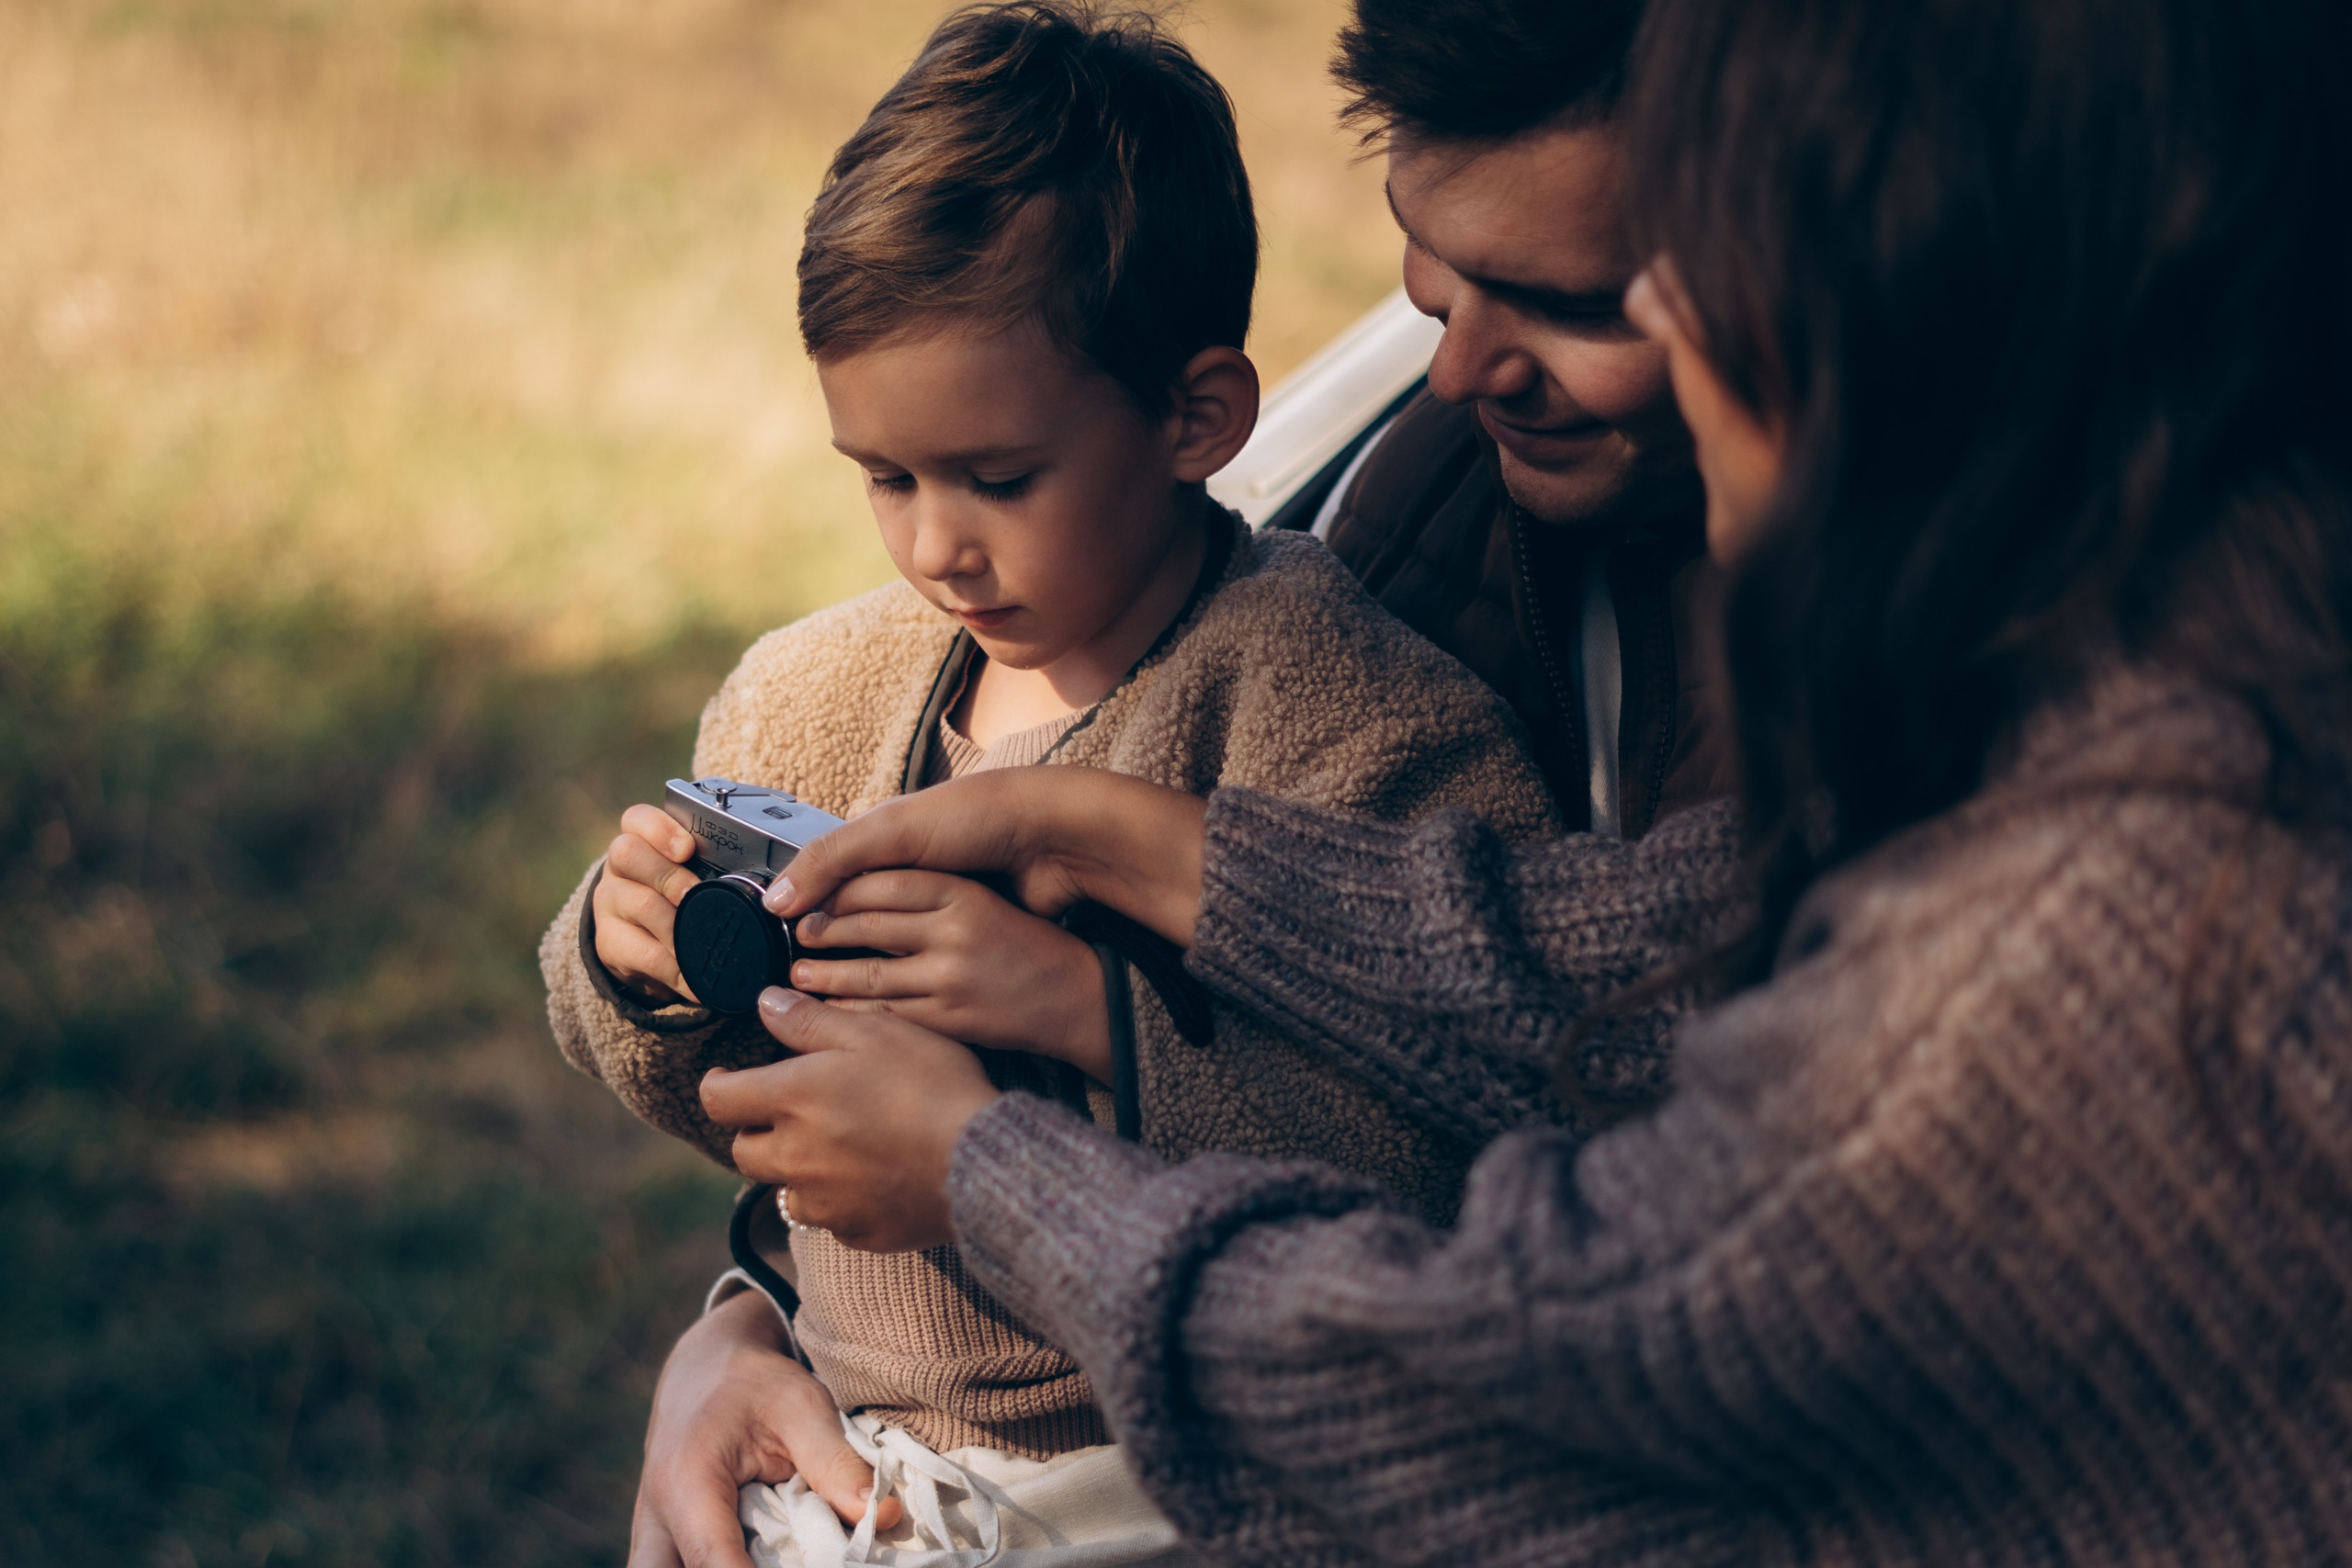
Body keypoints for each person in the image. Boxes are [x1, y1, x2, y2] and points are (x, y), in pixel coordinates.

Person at [661, 0, 2352, 1562]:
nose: (1457, 366)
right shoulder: (1439, 517)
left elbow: (1509, 1372)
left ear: (1929, 326)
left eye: (1618, 296)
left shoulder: (2103, 928)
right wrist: (764, 1309)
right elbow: (1649, 957)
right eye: (1432, 264)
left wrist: (995, 1172)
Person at [537, 6, 1560, 1563]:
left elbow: (1451, 1164)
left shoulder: (1346, 722)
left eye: (998, 479)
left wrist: (1099, 1024)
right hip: (854, 1452)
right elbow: (723, 1103)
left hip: (1181, 1482)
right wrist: (639, 965)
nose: (937, 543)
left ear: (1197, 417)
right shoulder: (810, 698)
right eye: (886, 476)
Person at [1306, 0, 1735, 839]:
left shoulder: (1959, 664)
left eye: (1570, 307)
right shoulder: (1394, 500)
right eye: (1427, 246)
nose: (1454, 375)